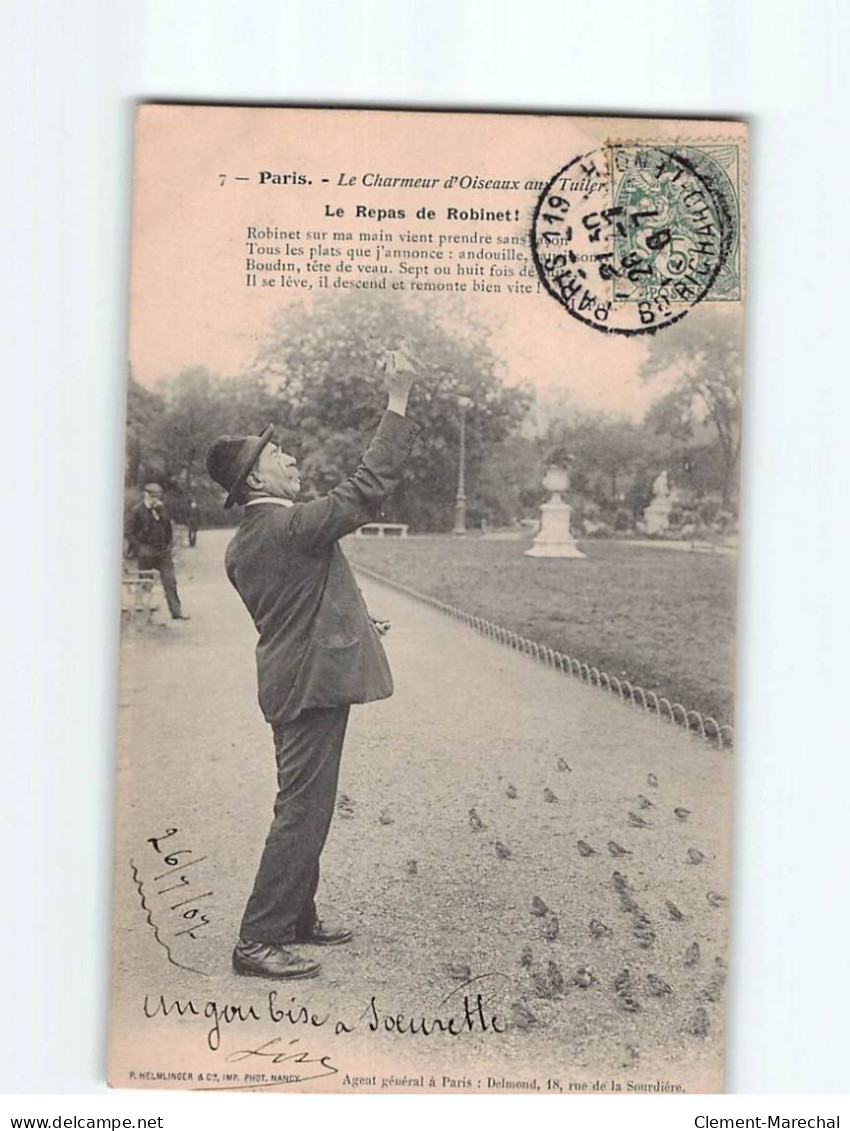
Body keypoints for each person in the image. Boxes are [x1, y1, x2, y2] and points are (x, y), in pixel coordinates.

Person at [204, 351, 418, 981]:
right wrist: (398, 400)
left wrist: (352, 620)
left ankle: (296, 917)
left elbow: (297, 603)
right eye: (279, 456)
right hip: (307, 688)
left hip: (293, 678)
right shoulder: (288, 526)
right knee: (302, 808)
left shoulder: (252, 540)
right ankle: (258, 939)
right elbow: (366, 489)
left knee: (309, 802)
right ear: (254, 482)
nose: (292, 459)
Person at [126, 483, 189, 621]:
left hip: (163, 552)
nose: (156, 499)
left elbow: (168, 528)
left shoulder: (162, 509)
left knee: (170, 581)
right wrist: (140, 548)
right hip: (146, 551)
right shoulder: (137, 511)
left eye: (158, 496)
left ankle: (176, 612)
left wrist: (169, 545)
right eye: (153, 496)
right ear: (146, 495)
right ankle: (143, 613)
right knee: (145, 583)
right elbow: (129, 533)